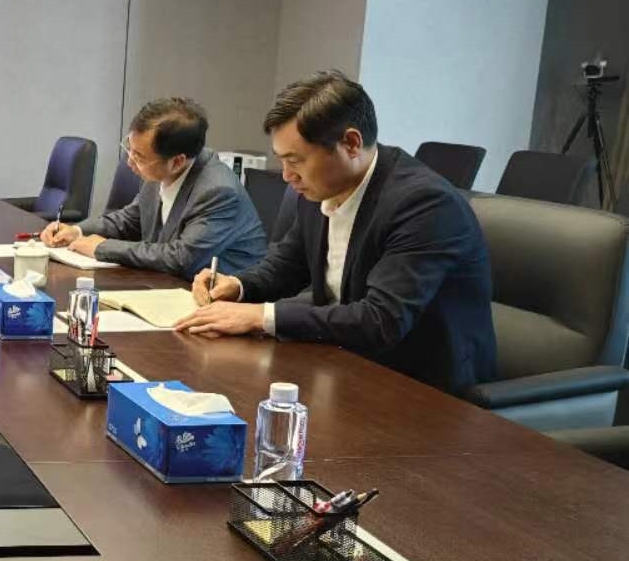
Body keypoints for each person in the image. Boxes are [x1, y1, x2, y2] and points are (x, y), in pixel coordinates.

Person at [175, 71, 495, 395]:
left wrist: (261, 316)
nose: (287, 176)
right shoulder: (323, 186)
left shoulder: (424, 204)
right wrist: (238, 286)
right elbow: (288, 264)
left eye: (295, 160)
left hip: (421, 389)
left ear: (351, 144)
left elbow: (382, 320)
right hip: (342, 363)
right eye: (282, 161)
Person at [40, 97, 266, 280]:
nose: (130, 162)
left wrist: (103, 248)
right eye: (129, 149)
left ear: (177, 161)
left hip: (219, 301)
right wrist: (77, 231)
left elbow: (180, 258)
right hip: (166, 286)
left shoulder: (218, 191)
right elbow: (129, 220)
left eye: (139, 156)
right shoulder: (159, 169)